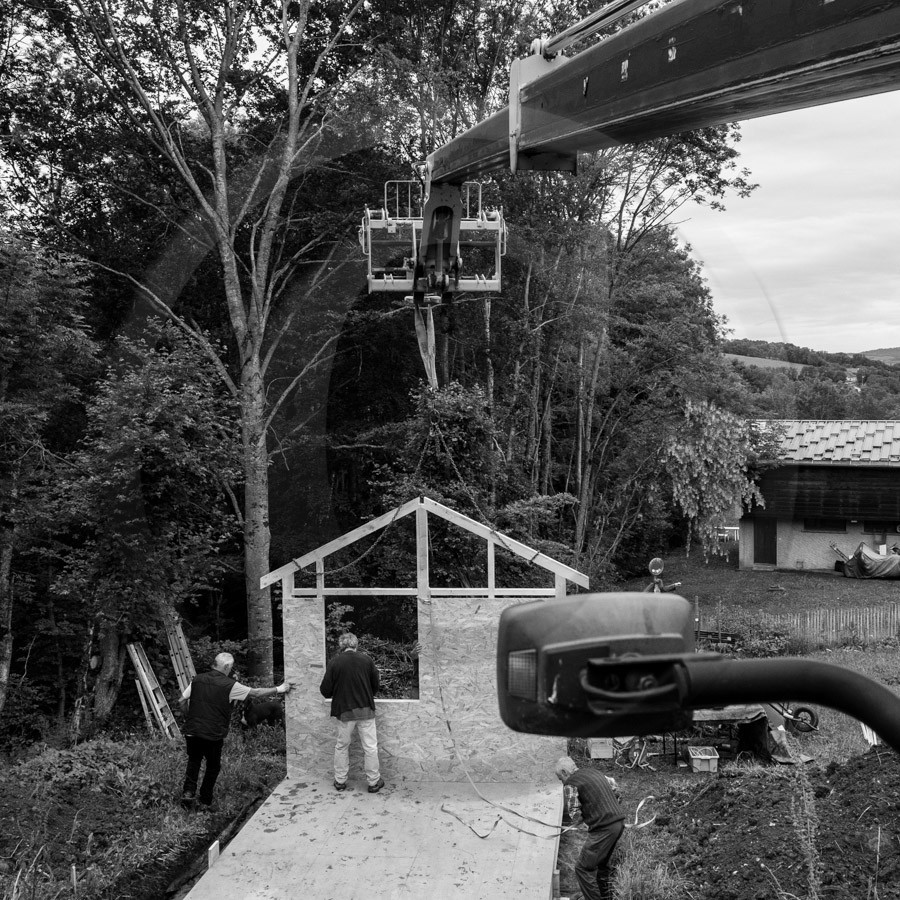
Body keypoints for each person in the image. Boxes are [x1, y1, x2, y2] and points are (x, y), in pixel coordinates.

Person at [179, 651, 292, 810]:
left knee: (194, 761)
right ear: (226, 667)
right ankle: (204, 801)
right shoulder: (230, 685)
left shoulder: (197, 679)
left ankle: (188, 793)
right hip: (213, 733)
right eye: (230, 668)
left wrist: (189, 717)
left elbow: (182, 701)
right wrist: (280, 689)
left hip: (192, 731)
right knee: (213, 766)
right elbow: (256, 693)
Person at [319, 632, 384, 793]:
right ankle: (373, 782)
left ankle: (340, 781)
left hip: (345, 712)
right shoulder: (367, 660)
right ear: (356, 644)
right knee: (370, 747)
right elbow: (375, 685)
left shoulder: (335, 662)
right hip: (366, 710)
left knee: (342, 746)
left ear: (341, 646)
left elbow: (325, 690)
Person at [555, 756, 625, 900]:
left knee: (582, 869)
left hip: (603, 829)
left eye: (560, 778)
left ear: (564, 772)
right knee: (602, 865)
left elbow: (574, 813)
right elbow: (616, 789)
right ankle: (606, 896)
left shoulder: (571, 783)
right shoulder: (595, 772)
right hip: (618, 823)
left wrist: (581, 821)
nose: (562, 782)